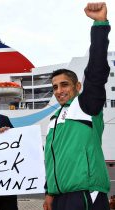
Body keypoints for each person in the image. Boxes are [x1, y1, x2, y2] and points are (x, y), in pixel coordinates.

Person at [43, 2, 111, 210]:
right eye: (55, 87)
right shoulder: (53, 121)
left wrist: (100, 25)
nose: (59, 90)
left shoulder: (85, 107)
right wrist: (49, 192)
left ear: (77, 86)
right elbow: (53, 160)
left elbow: (96, 71)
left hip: (84, 196)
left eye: (64, 84)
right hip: (59, 198)